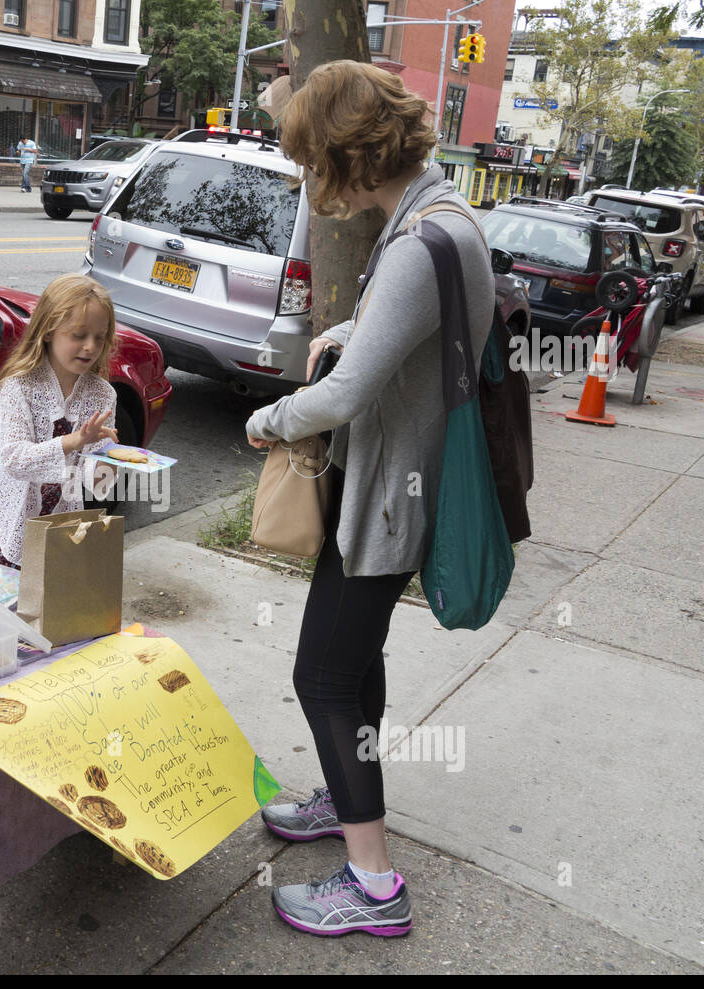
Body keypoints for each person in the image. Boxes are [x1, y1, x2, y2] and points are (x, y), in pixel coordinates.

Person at [244, 60, 494, 938]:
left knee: (320, 676)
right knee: (357, 668)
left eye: (316, 163)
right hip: (387, 489)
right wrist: (352, 330)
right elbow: (408, 328)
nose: (314, 183)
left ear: (350, 152)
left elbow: (345, 399)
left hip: (388, 496)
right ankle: (344, 802)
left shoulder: (424, 240)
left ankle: (373, 884)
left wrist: (269, 418)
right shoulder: (442, 211)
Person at [0, 274, 119, 568]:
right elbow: (14, 459)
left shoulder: (102, 395)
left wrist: (111, 466)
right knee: (7, 607)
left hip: (61, 523)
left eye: (99, 337)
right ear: (48, 331)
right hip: (11, 523)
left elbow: (96, 482)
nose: (90, 347)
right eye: (78, 335)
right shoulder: (20, 387)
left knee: (50, 605)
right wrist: (75, 441)